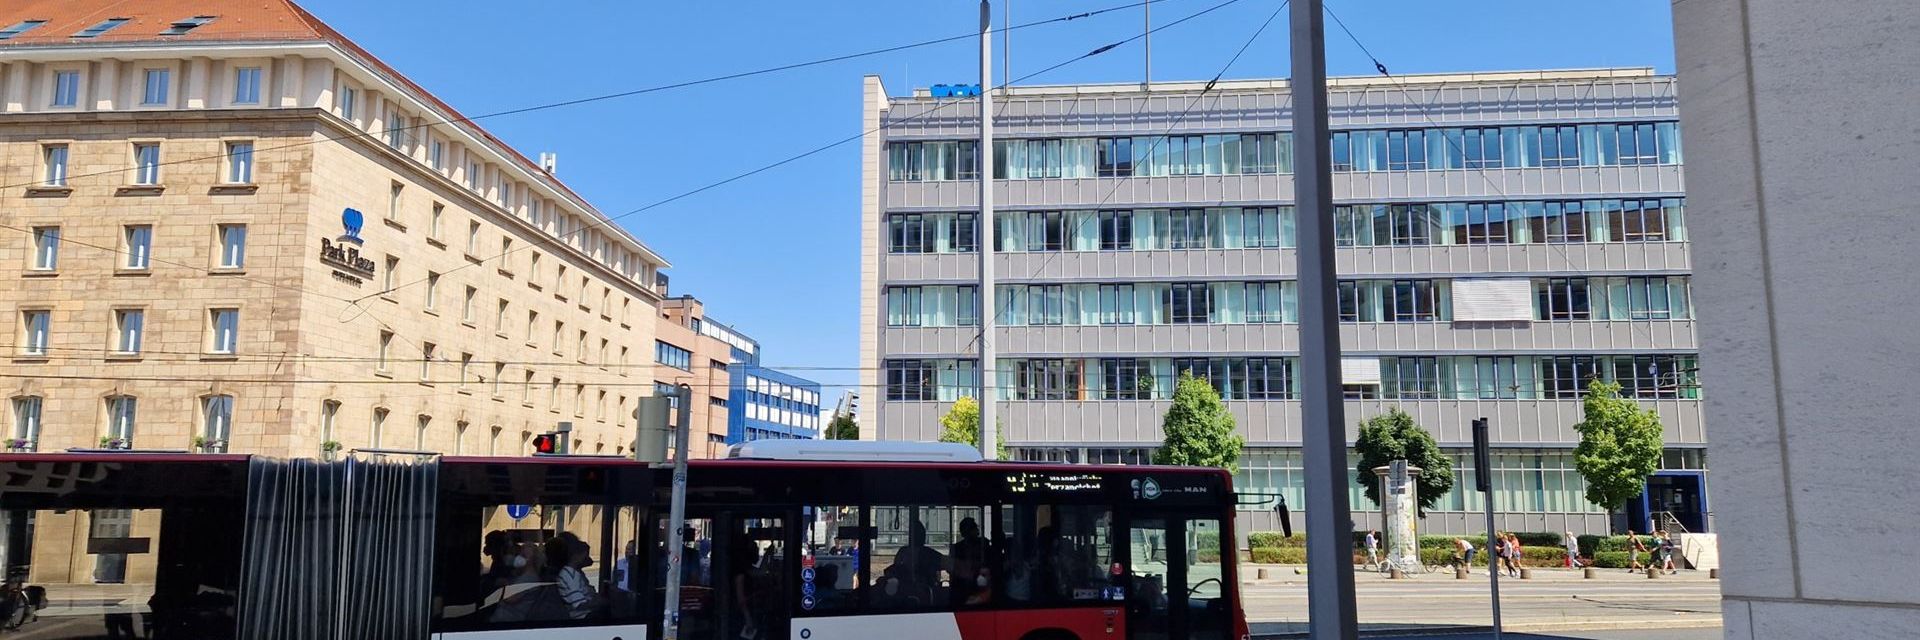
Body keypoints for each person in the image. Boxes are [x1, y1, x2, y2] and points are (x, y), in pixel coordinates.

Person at [886, 518, 947, 605]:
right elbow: (948, 565)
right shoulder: (929, 553)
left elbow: (896, 566)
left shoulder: (903, 551)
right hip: (926, 594)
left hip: (905, 592)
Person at [548, 533, 598, 620]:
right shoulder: (568, 575)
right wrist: (600, 603)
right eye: (584, 555)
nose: (586, 558)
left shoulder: (575, 573)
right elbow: (579, 604)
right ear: (575, 555)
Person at [949, 517, 990, 606]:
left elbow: (989, 564)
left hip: (980, 588)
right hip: (960, 589)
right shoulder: (956, 548)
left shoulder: (983, 545)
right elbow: (952, 569)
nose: (975, 531)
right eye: (971, 529)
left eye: (974, 528)